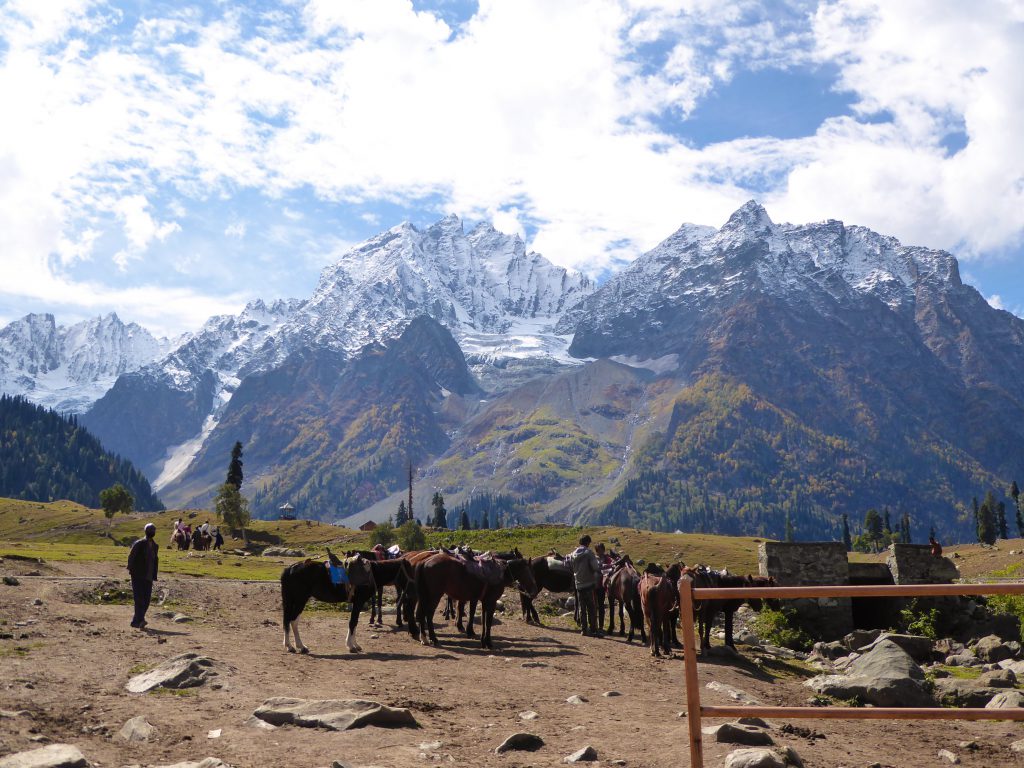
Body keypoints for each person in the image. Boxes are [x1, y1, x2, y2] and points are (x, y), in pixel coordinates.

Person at [566, 534, 602, 637]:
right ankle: (594, 630)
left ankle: (584, 630)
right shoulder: (589, 553)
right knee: (591, 607)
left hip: (579, 584)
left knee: (582, 608)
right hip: (589, 584)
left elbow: (570, 566)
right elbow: (595, 567)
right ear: (587, 543)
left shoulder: (573, 554)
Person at [127, 523, 159, 629]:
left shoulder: (155, 546)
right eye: (150, 530)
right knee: (139, 599)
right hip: (138, 575)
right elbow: (131, 556)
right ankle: (139, 620)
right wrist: (131, 569)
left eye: (153, 530)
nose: (152, 532)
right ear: (146, 531)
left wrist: (154, 574)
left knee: (147, 600)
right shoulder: (139, 543)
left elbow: (155, 561)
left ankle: (137, 621)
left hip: (148, 576)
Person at [594, 542, 615, 632]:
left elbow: (612, 566)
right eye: (599, 550)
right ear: (596, 550)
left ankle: (601, 626)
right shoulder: (593, 558)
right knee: (593, 606)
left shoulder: (607, 559)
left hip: (602, 586)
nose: (600, 551)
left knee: (601, 606)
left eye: (602, 549)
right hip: (593, 585)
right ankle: (594, 624)